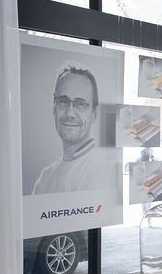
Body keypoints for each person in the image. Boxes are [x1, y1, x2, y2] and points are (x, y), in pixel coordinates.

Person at [32, 65, 115, 194]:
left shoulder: (104, 171)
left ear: (94, 114)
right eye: (63, 101)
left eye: (80, 104)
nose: (70, 113)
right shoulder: (46, 177)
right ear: (54, 109)